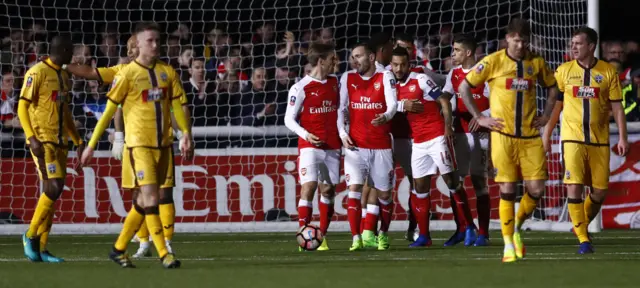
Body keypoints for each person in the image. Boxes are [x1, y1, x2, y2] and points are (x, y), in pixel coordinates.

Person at [80, 22, 192, 269]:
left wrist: (186, 133)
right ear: (138, 44)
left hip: (164, 146)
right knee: (151, 197)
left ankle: (119, 249)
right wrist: (91, 145)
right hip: (139, 147)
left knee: (143, 202)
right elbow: (110, 111)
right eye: (150, 40)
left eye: (157, 40)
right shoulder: (127, 74)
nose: (155, 44)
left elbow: (176, 106)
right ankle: (165, 253)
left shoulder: (167, 72)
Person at [458, 18, 559, 262]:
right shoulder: (493, 61)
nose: (521, 45)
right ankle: (507, 245)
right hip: (503, 136)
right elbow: (464, 87)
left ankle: (515, 228)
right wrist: (480, 117)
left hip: (530, 137)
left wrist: (546, 115)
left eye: (524, 40)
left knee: (536, 189)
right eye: (516, 40)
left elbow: (554, 88)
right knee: (507, 188)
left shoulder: (536, 62)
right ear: (507, 40)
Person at [543, 27, 628, 254]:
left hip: (599, 140)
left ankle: (579, 224)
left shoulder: (608, 72)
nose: (573, 47)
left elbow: (617, 107)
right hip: (572, 138)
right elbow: (557, 106)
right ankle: (583, 239)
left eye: (578, 44)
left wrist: (622, 137)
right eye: (572, 43)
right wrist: (547, 132)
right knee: (574, 187)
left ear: (591, 46)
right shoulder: (563, 71)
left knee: (599, 192)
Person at [18, 35, 83, 263]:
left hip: (61, 141)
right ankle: (30, 234)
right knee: (53, 187)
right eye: (71, 51)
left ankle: (42, 248)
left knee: (52, 193)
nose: (72, 56)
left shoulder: (64, 76)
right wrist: (31, 137)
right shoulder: (36, 73)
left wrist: (78, 141)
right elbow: (22, 107)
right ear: (63, 50)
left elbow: (65, 113)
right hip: (42, 140)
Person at [390, 47, 459, 247]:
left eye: (403, 64)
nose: (399, 68)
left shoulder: (420, 79)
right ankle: (424, 236)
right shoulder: (391, 85)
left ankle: (467, 228)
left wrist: (448, 127)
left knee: (451, 182)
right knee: (419, 187)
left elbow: (444, 100)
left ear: (409, 64)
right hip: (418, 142)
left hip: (437, 136)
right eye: (395, 64)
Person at [338, 42, 397, 251]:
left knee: (384, 195)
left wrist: (386, 116)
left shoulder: (385, 76)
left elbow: (392, 104)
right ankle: (356, 238)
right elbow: (340, 108)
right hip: (355, 146)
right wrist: (342, 133)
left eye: (359, 56)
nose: (355, 60)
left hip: (381, 145)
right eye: (353, 56)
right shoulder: (348, 78)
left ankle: (383, 234)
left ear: (371, 57)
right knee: (353, 189)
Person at [284, 43, 340, 251]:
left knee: (329, 190)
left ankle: (321, 236)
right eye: (332, 58)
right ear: (321, 61)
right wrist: (306, 134)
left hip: (333, 145)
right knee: (309, 187)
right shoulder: (300, 87)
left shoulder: (336, 83)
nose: (336, 62)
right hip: (309, 145)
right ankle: (303, 235)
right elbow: (288, 120)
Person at [442, 34, 491, 246]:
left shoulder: (485, 73)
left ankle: (483, 234)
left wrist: (483, 117)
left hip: (481, 135)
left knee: (480, 182)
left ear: (468, 52)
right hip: (460, 135)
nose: (453, 54)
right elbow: (445, 98)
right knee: (455, 182)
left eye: (457, 50)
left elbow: (499, 101)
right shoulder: (453, 74)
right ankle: (463, 227)